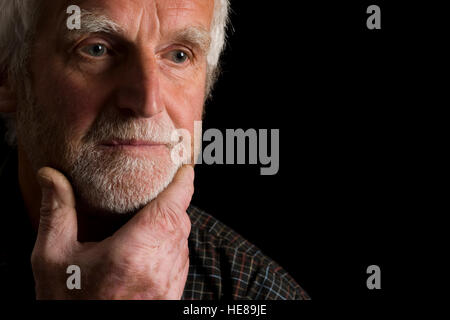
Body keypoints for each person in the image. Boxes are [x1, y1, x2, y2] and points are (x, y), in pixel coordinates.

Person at [0, 0, 309, 300]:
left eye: (178, 56)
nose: (147, 102)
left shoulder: (256, 293)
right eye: (96, 49)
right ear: (6, 75)